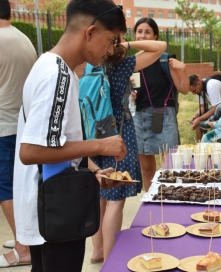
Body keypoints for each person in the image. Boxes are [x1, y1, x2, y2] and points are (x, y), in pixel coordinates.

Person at [13, 1, 130, 271]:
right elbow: (30, 151)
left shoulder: (52, 67)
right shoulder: (56, 75)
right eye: (111, 40)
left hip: (52, 206)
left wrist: (93, 170)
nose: (112, 50)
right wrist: (101, 144)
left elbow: (57, 141)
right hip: (54, 211)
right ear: (90, 32)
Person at [89, 38, 166, 262]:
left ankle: (97, 251)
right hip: (118, 133)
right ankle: (111, 260)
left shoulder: (89, 63)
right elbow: (160, 47)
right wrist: (128, 43)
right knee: (115, 197)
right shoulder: (122, 64)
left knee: (100, 194)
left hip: (92, 132)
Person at [133, 17, 189, 192]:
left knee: (169, 167)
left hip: (164, 117)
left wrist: (183, 69)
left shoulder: (165, 60)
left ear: (155, 36)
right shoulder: (131, 62)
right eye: (139, 31)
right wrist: (131, 95)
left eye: (147, 31)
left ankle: (170, 200)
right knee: (147, 168)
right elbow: (133, 91)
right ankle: (151, 202)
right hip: (140, 117)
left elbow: (184, 89)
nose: (143, 35)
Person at [0, 0, 36, 267]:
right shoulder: (24, 38)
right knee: (23, 186)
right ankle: (25, 237)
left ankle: (23, 248)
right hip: (23, 124)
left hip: (3, 127)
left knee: (6, 190)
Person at [189, 74, 221, 140]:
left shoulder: (211, 85)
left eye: (194, 91)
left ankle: (209, 141)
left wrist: (199, 119)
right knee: (197, 123)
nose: (193, 93)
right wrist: (196, 116)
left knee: (202, 121)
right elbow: (203, 107)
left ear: (198, 83)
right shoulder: (199, 89)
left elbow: (215, 108)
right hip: (217, 108)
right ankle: (199, 146)